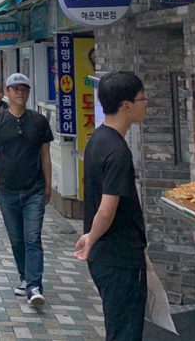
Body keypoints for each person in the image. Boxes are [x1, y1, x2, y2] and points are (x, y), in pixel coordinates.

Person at [74, 72, 148, 341]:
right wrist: (91, 239)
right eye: (142, 98)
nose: (145, 104)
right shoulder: (117, 151)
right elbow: (107, 209)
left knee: (117, 326)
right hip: (118, 257)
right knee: (124, 331)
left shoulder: (97, 139)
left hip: (108, 256)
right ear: (126, 105)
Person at [0, 73, 53, 307]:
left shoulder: (39, 122)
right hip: (7, 189)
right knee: (17, 238)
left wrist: (48, 184)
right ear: (8, 93)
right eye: (15, 89)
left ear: (28, 93)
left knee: (32, 237)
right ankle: (25, 277)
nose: (20, 92)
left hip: (34, 189)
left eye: (24, 88)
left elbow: (45, 155)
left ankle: (34, 285)